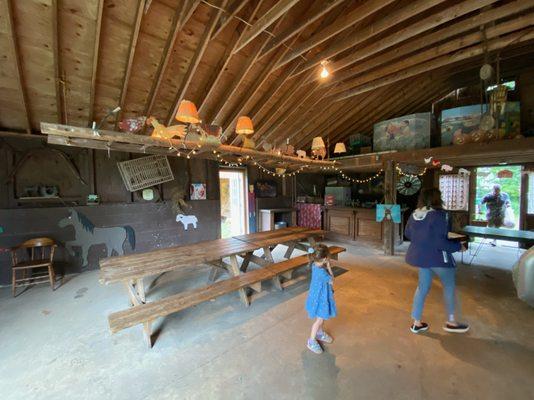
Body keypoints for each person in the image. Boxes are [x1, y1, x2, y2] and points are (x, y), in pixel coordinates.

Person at [405, 188, 469, 334]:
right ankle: (451, 322)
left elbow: (408, 233)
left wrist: (423, 238)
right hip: (439, 258)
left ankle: (417, 323)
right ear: (437, 198)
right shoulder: (441, 215)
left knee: (422, 288)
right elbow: (441, 242)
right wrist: (459, 246)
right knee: (449, 287)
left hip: (421, 258)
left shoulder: (414, 214)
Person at [305, 244, 337, 354]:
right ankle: (311, 341)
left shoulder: (315, 265)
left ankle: (320, 333)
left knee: (321, 318)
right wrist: (328, 267)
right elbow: (332, 280)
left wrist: (325, 264)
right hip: (320, 299)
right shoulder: (322, 272)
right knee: (319, 320)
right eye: (328, 257)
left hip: (317, 296)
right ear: (324, 259)